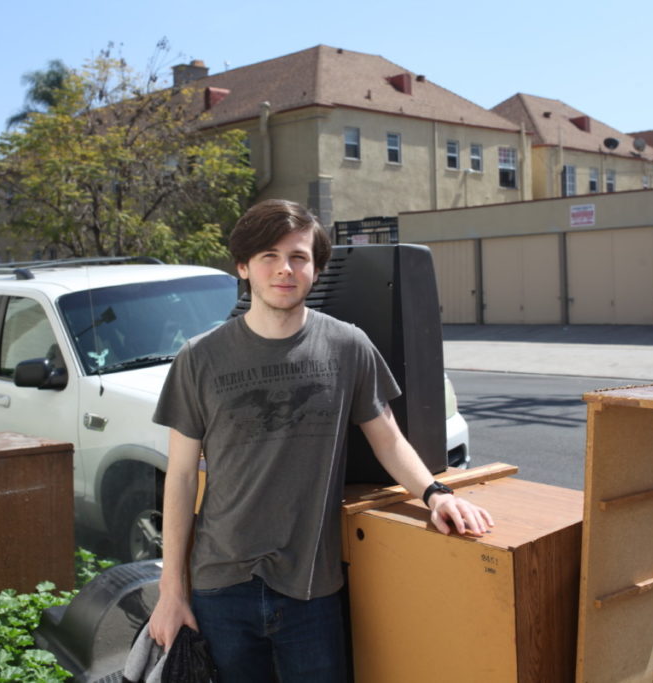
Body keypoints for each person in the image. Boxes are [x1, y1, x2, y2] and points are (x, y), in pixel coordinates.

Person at [147, 199, 493, 682]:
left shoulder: (348, 346)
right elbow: (181, 478)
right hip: (220, 585)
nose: (284, 269)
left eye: (299, 257)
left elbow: (389, 440)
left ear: (316, 268)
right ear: (243, 268)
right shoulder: (199, 358)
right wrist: (171, 592)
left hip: (312, 587)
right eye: (268, 256)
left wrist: (436, 495)